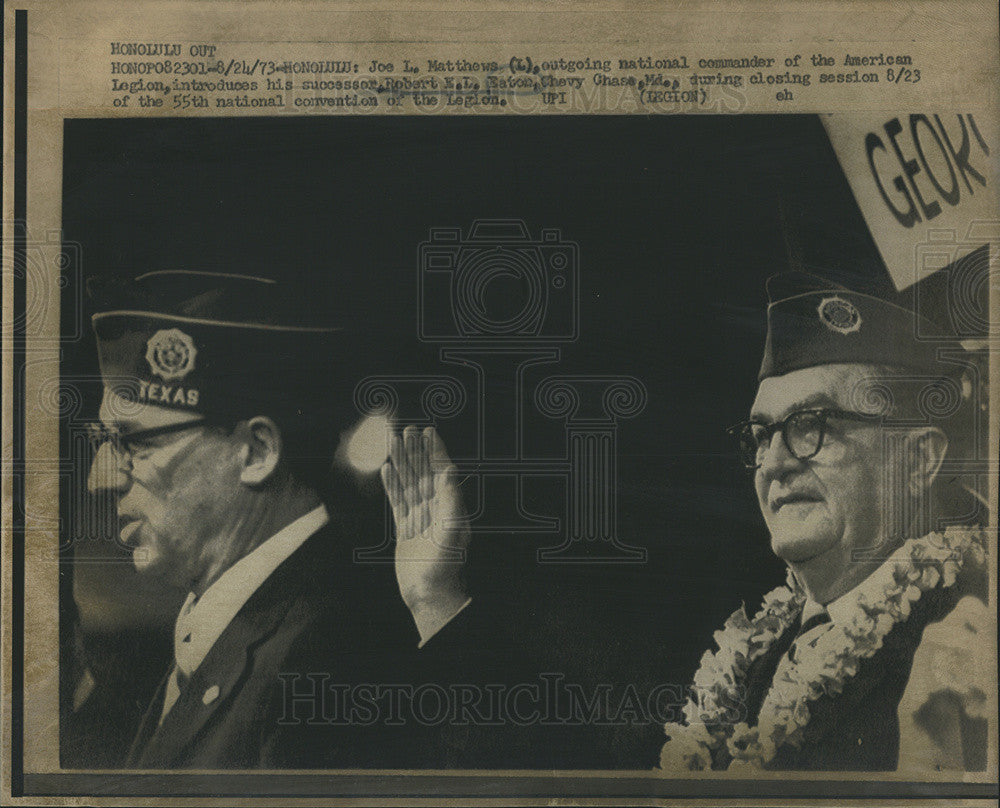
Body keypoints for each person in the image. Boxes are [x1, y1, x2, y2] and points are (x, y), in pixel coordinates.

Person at [80, 270, 477, 769]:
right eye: (104, 442)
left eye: (136, 443)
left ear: (256, 453)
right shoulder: (232, 631)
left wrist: (434, 600)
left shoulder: (327, 656)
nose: (102, 477)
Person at [657, 272, 991, 771]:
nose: (773, 464)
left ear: (917, 460)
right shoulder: (752, 663)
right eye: (760, 435)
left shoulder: (966, 640)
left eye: (809, 425)